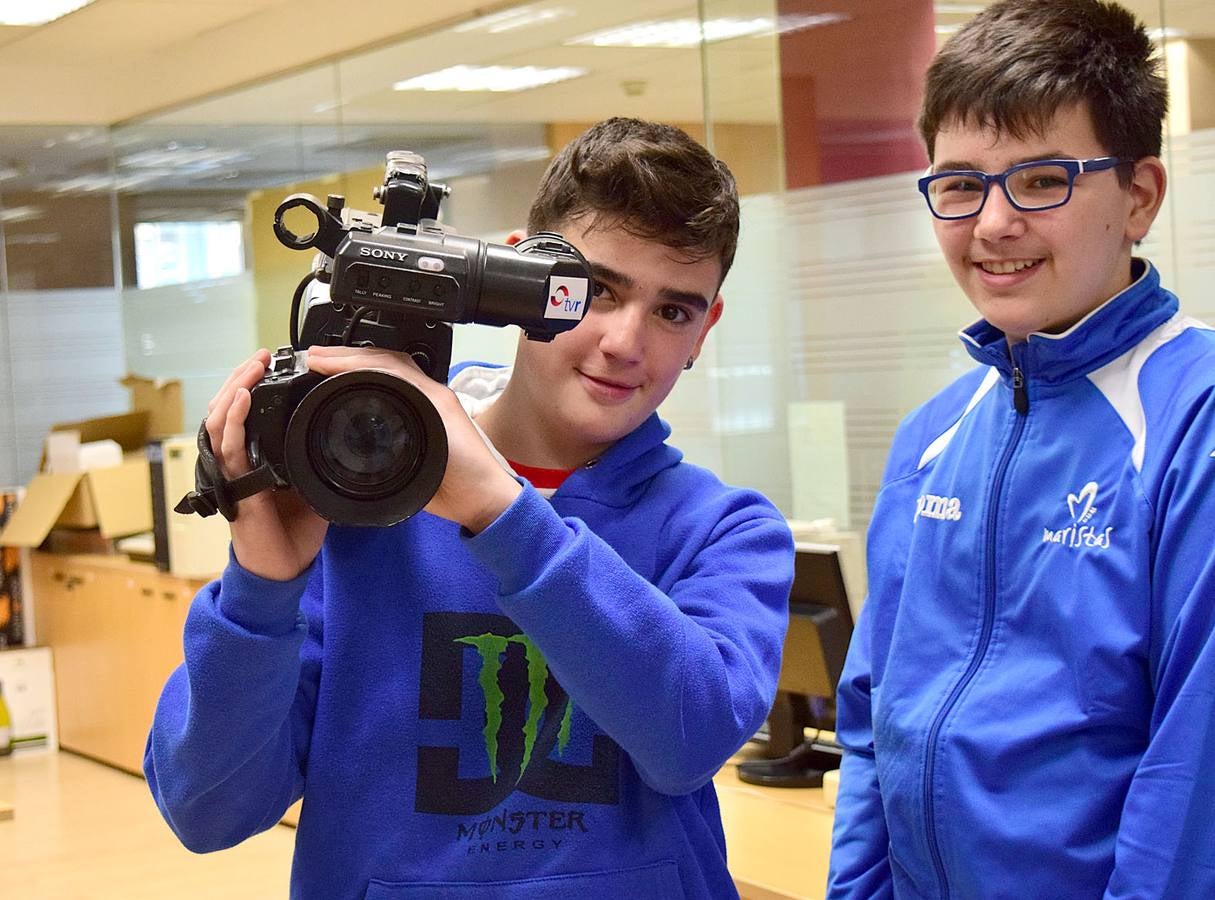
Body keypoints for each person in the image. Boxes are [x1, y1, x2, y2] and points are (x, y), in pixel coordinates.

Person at [144, 117, 793, 900]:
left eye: (672, 311)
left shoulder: (726, 531)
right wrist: (260, 588)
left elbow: (688, 741)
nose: (626, 342)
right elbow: (205, 811)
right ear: (524, 278)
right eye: (597, 293)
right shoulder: (352, 507)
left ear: (704, 330)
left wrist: (499, 511)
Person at [828, 1, 1215, 896]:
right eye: (959, 184)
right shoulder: (934, 432)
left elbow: (1193, 773)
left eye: (1041, 179)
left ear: (1140, 196)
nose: (992, 225)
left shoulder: (1192, 416)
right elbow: (872, 720)